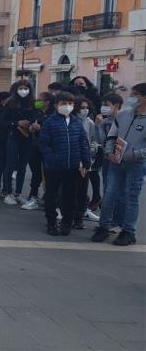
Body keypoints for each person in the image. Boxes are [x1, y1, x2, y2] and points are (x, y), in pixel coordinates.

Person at [92, 83, 146, 246]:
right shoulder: (123, 115)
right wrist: (109, 152)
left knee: (131, 198)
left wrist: (133, 154)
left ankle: (128, 231)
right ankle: (104, 227)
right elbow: (111, 136)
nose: (132, 98)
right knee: (109, 195)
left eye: (136, 94)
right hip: (115, 163)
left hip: (135, 165)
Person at [38, 91, 91, 237]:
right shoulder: (50, 122)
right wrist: (51, 157)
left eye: (70, 103)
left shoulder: (76, 122)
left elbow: (83, 143)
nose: (67, 106)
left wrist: (86, 162)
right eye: (63, 103)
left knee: (70, 196)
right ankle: (51, 222)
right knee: (51, 195)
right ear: (56, 105)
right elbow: (43, 143)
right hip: (54, 167)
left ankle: (67, 222)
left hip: (72, 166)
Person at [0, 82, 38, 205]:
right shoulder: (10, 103)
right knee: (10, 165)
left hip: (27, 138)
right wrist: (17, 123)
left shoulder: (33, 103)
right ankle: (8, 192)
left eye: (26, 88)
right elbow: (4, 121)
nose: (23, 91)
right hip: (13, 137)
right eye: (21, 88)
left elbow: (36, 117)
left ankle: (18, 193)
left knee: (22, 167)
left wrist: (32, 124)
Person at [21, 92, 55, 210]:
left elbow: (54, 131)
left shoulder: (53, 114)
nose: (37, 102)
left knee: (48, 173)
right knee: (36, 173)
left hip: (48, 147)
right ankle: (33, 196)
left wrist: (41, 129)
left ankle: (49, 197)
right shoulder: (36, 112)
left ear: (47, 102)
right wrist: (31, 128)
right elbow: (31, 125)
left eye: (40, 100)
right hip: (35, 145)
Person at [94, 92, 124, 216]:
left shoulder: (122, 120)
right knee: (107, 187)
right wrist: (98, 127)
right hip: (106, 157)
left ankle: (116, 218)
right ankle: (108, 217)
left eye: (106, 105)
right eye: (102, 105)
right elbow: (100, 140)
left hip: (119, 158)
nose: (103, 107)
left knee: (118, 189)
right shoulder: (105, 121)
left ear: (116, 105)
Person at [73, 97, 98, 229]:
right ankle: (68, 215)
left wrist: (92, 148)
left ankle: (79, 217)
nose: (85, 110)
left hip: (85, 162)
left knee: (82, 191)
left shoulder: (90, 123)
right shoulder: (70, 121)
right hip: (71, 161)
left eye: (86, 107)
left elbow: (94, 140)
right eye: (82, 107)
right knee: (69, 190)